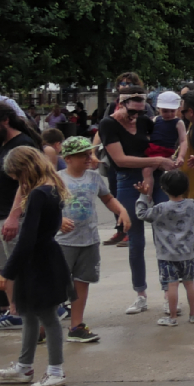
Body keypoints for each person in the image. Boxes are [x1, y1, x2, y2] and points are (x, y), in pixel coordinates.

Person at [0, 147, 73, 386]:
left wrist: (7, 272)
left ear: (26, 169)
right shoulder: (53, 186)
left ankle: (56, 371)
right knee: (27, 313)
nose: (18, 181)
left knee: (48, 317)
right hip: (42, 258)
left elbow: (27, 238)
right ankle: (24, 365)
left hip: (40, 261)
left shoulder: (39, 193)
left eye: (18, 176)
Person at [55, 136, 130, 344]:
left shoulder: (94, 178)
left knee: (82, 281)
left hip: (88, 240)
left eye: (90, 153)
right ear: (68, 158)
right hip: (63, 241)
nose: (89, 158)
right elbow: (44, 206)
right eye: (83, 155)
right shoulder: (56, 179)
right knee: (56, 285)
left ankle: (76, 326)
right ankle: (44, 326)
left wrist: (122, 211)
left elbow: (107, 198)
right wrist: (58, 219)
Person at [97, 87, 157, 317]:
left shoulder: (144, 122)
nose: (135, 117)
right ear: (121, 104)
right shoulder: (109, 124)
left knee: (165, 235)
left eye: (140, 110)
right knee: (136, 239)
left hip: (153, 175)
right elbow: (119, 159)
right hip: (128, 178)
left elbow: (163, 138)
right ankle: (140, 293)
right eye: (132, 110)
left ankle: (168, 291)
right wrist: (157, 160)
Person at [0, 102, 38, 331]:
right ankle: (14, 311)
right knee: (5, 267)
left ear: (5, 120)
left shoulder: (22, 144)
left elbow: (27, 184)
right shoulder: (0, 144)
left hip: (13, 216)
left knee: (18, 266)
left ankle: (24, 312)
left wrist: (14, 216)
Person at [134, 166, 194, 326]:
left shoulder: (160, 208)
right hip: (188, 254)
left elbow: (141, 214)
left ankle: (172, 317)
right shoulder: (192, 205)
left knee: (172, 285)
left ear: (163, 189)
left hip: (166, 255)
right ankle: (193, 314)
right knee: (189, 283)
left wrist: (143, 195)